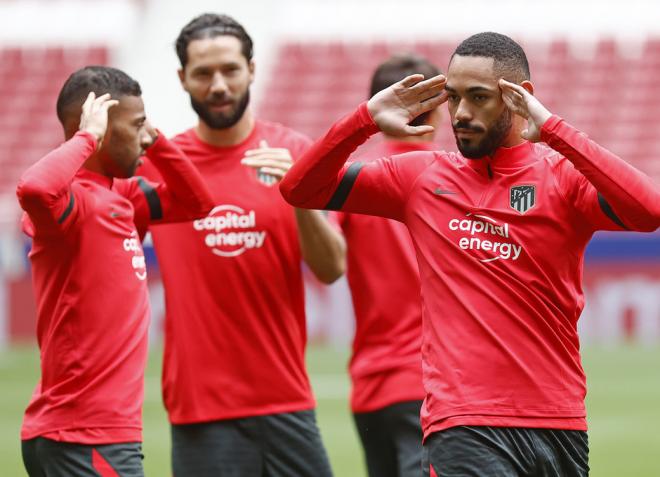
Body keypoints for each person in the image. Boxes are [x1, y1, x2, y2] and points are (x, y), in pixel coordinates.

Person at [280, 32, 660, 477]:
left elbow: (648, 210)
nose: (461, 113)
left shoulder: (562, 181)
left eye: (478, 97)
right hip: (464, 423)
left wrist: (555, 131)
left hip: (560, 423)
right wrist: (363, 120)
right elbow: (300, 188)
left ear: (519, 99)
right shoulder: (420, 178)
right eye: (453, 98)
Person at [138, 13, 344, 477]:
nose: (218, 85)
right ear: (182, 79)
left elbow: (332, 268)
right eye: (203, 73)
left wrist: (299, 195)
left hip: (286, 401)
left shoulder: (293, 151)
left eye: (230, 70)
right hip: (200, 408)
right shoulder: (158, 167)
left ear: (251, 69)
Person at [17, 66, 214, 477]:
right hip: (86, 435)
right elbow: (35, 187)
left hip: (87, 433)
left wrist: (156, 141)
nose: (146, 136)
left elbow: (199, 203)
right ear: (101, 128)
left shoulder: (122, 196)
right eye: (138, 125)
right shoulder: (68, 204)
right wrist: (86, 137)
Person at [333, 53, 441, 477]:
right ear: (437, 106)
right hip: (431, 383)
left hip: (369, 387)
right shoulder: (454, 178)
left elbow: (328, 260)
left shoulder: (354, 182)